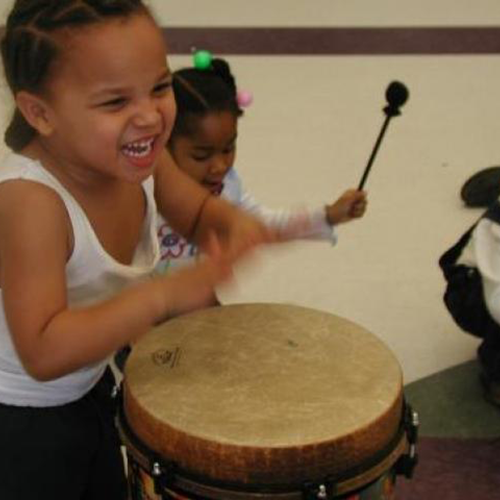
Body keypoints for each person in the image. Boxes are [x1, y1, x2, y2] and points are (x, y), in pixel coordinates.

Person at [0, 1, 280, 499]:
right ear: (40, 113)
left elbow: (194, 212)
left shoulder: (138, 160)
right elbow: (43, 349)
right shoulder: (30, 203)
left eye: (159, 86)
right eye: (114, 102)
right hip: (19, 422)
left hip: (87, 386)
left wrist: (230, 223)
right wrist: (162, 296)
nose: (149, 116)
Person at [156, 55, 368, 275]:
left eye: (228, 149)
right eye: (201, 156)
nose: (220, 166)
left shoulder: (228, 185)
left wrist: (329, 215)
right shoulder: (142, 195)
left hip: (194, 299)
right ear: (163, 144)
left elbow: (261, 224)